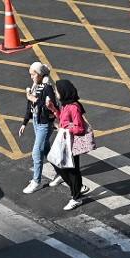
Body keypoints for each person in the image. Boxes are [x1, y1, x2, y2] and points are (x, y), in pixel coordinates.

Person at [19, 61, 58, 194]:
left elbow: (52, 105)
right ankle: (61, 173)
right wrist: (24, 123)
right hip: (36, 121)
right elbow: (29, 107)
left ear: (40, 74)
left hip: (45, 124)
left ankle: (36, 181)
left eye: (33, 74)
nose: (31, 77)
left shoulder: (47, 87)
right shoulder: (35, 86)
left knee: (36, 152)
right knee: (46, 150)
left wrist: (34, 99)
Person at [50, 80, 88, 211]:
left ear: (64, 92)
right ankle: (77, 189)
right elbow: (63, 120)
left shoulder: (73, 107)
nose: (56, 93)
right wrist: (54, 110)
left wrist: (66, 127)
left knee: (72, 170)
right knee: (62, 166)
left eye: (57, 90)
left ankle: (76, 197)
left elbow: (80, 128)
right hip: (65, 141)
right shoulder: (65, 105)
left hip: (72, 142)